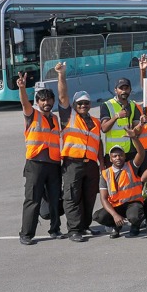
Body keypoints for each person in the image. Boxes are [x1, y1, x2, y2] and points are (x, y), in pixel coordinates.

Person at [18, 70, 64, 244]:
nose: (46, 103)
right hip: (35, 164)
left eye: (49, 100)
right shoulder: (32, 114)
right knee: (33, 199)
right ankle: (26, 234)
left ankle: (55, 229)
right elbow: (24, 103)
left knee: (54, 199)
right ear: (37, 102)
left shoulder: (55, 118)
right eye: (43, 100)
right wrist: (22, 88)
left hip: (53, 164)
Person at [57, 72, 102, 242]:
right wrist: (61, 75)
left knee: (89, 196)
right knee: (72, 196)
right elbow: (62, 96)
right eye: (80, 103)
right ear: (75, 105)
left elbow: (99, 143)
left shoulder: (96, 122)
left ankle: (84, 225)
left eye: (86, 103)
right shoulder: (69, 117)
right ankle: (74, 229)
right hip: (72, 163)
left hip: (91, 164)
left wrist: (102, 164)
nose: (83, 105)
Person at [95, 136, 147, 238]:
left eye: (120, 155)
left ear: (124, 156)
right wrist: (114, 215)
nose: (118, 158)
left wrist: (134, 138)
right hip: (116, 206)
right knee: (99, 216)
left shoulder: (131, 166)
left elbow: (141, 153)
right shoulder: (105, 174)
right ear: (110, 159)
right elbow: (103, 198)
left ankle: (135, 225)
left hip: (132, 203)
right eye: (115, 156)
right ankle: (115, 226)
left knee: (134, 216)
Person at [99, 77, 140, 162]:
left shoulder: (133, 105)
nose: (124, 91)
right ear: (115, 90)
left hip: (131, 151)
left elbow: (137, 129)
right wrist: (116, 116)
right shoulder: (107, 105)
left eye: (126, 88)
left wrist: (141, 124)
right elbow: (104, 128)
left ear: (130, 89)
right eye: (121, 88)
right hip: (114, 152)